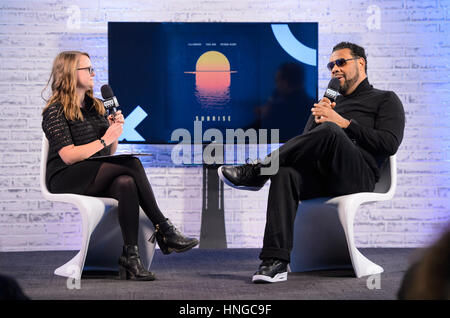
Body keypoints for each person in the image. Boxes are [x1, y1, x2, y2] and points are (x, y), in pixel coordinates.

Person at [218, 42, 405, 283]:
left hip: (358, 176)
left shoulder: (385, 99)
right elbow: (304, 144)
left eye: (341, 62)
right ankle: (275, 262)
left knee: (330, 130)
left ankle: (257, 171)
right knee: (284, 172)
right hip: (322, 177)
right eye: (331, 65)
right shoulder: (329, 101)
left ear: (361, 63)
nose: (334, 69)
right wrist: (319, 118)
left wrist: (343, 123)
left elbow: (389, 143)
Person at [41, 51, 198, 281]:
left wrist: (113, 133)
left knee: (126, 182)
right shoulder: (55, 111)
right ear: (69, 74)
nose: (94, 73)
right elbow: (68, 156)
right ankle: (164, 229)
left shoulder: (95, 106)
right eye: (88, 69)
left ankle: (130, 258)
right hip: (65, 176)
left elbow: (108, 152)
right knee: (132, 163)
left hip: (92, 172)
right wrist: (105, 138)